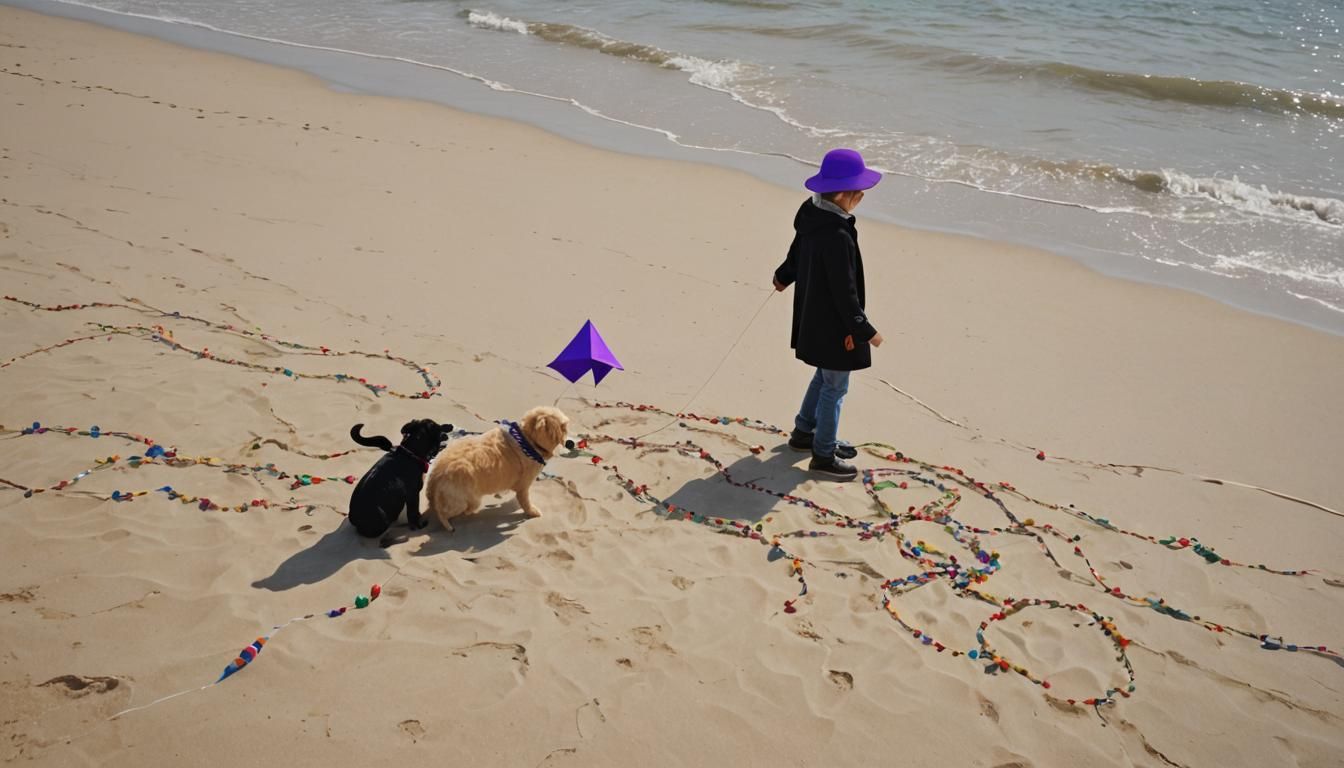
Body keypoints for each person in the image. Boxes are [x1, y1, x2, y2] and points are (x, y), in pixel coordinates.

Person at [772, 148, 883, 481]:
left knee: (825, 375)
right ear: (841, 195)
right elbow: (844, 291)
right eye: (858, 193)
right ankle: (823, 453)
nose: (861, 197)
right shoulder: (835, 235)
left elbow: (796, 251)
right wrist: (863, 329)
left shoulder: (812, 214)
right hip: (836, 325)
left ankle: (804, 432)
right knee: (836, 386)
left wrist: (783, 275)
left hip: (814, 316)